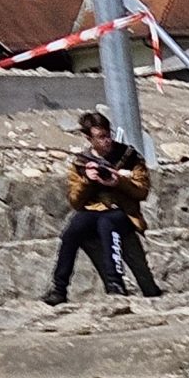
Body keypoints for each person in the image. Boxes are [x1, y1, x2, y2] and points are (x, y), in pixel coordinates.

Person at [45, 110, 160, 306]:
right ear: (89, 138)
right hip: (93, 210)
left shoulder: (129, 156)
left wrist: (119, 182)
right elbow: (75, 201)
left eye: (107, 135)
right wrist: (88, 181)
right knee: (71, 232)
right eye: (100, 137)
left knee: (108, 224)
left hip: (122, 211)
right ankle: (59, 288)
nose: (106, 141)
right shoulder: (81, 162)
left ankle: (115, 283)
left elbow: (142, 192)